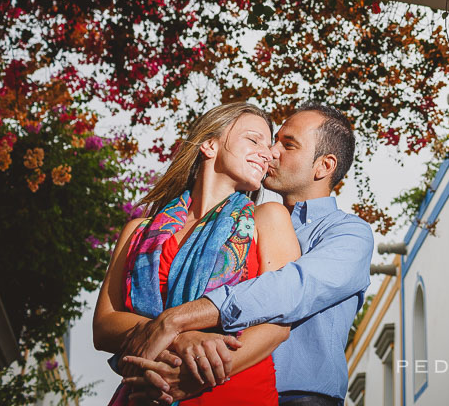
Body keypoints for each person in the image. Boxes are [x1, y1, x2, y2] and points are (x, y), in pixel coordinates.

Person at [118, 102, 375, 406]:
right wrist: (177, 339)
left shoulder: (348, 234)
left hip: (298, 397)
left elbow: (289, 289)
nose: (271, 152)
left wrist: (177, 320)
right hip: (205, 387)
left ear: (324, 166)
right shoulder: (238, 224)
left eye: (287, 144)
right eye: (270, 141)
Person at [93, 101, 302, 405]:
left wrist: (195, 374)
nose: (268, 153)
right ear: (209, 144)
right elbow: (103, 326)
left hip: (230, 390)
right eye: (253, 139)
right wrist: (182, 338)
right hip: (147, 391)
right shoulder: (139, 231)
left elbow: (278, 324)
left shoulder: (268, 217)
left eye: (268, 146)